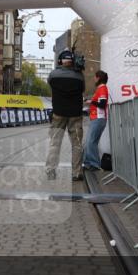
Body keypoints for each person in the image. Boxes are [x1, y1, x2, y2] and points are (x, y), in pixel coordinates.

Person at [46, 50, 86, 180]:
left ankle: (51, 171)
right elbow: (83, 89)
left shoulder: (53, 75)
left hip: (58, 113)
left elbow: (50, 83)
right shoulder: (79, 76)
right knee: (77, 144)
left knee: (55, 143)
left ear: (60, 61)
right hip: (75, 114)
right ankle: (76, 173)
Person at [82, 70, 110, 171]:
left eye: (95, 77)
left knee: (90, 141)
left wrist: (92, 101)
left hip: (98, 118)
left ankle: (94, 164)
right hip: (97, 118)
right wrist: (90, 101)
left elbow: (102, 104)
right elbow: (98, 102)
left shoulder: (102, 88)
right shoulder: (100, 88)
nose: (94, 79)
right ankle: (88, 163)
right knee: (91, 142)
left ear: (98, 78)